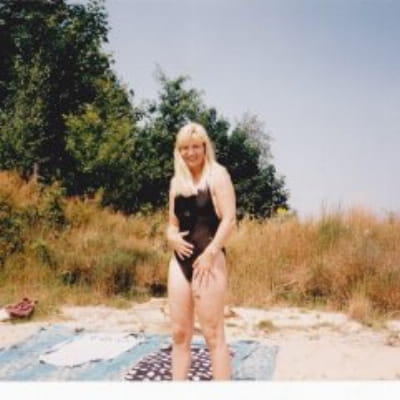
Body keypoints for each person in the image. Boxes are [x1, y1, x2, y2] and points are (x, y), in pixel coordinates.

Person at [166, 122, 236, 380]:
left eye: (195, 146)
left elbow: (229, 220)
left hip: (209, 259)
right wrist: (171, 237)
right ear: (178, 151)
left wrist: (211, 253)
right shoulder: (177, 181)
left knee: (213, 334)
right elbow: (172, 224)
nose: (190, 152)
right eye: (184, 148)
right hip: (179, 261)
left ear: (205, 147)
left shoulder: (218, 175)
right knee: (179, 334)